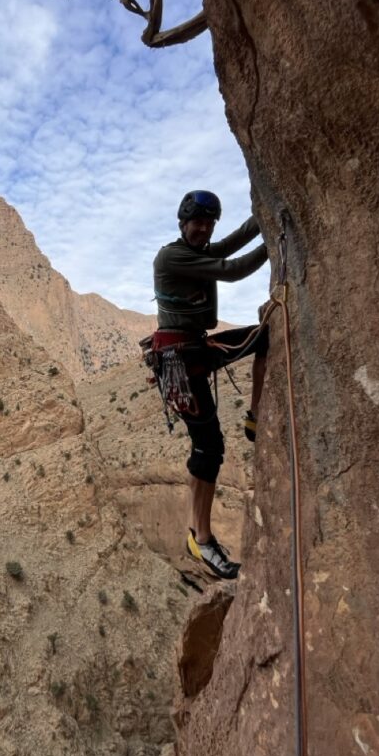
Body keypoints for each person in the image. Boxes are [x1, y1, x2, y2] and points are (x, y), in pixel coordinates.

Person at [152, 190, 269, 580]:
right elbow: (232, 268)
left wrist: (264, 215)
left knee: (264, 337)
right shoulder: (173, 256)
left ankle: (255, 416)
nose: (204, 229)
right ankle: (200, 539)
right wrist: (275, 236)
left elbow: (231, 242)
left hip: (197, 349)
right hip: (180, 363)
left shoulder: (196, 249)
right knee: (209, 447)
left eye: (209, 223)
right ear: (183, 223)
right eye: (197, 223)